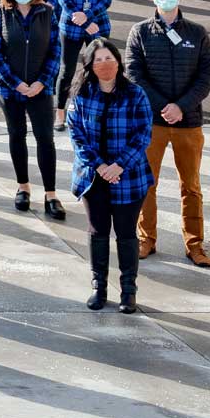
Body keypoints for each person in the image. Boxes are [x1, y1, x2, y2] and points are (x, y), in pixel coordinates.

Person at [127, 0, 210, 268]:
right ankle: (146, 239)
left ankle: (195, 244)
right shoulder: (139, 32)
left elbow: (205, 79)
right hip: (151, 122)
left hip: (188, 122)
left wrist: (181, 106)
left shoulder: (197, 33)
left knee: (190, 186)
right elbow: (134, 75)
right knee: (146, 184)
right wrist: (164, 106)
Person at [70, 37, 154, 313]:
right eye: (98, 60)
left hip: (128, 177)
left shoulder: (135, 94)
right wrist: (100, 167)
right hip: (94, 178)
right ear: (90, 66)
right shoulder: (82, 95)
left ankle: (128, 290)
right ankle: (99, 287)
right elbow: (77, 136)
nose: (105, 64)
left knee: (126, 233)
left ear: (118, 61)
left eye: (109, 58)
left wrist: (119, 165)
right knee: (98, 232)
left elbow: (143, 135)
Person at [0, 0, 65, 218]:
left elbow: (55, 49)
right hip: (10, 88)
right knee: (16, 134)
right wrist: (16, 83)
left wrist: (42, 82)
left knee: (45, 138)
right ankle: (23, 187)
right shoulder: (0, 13)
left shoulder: (47, 12)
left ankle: (51, 194)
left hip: (40, 88)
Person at [54, 0, 114, 135]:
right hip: (71, 27)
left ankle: (95, 110)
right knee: (67, 69)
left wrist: (88, 19)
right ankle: (60, 111)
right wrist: (82, 20)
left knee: (99, 68)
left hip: (98, 25)